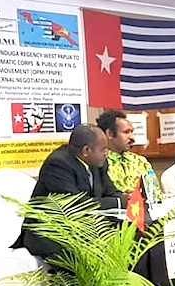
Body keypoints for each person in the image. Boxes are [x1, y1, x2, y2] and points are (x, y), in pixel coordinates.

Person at [14, 124, 127, 257]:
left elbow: (110, 190)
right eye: (103, 149)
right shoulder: (58, 164)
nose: (106, 153)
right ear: (86, 150)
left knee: (127, 239)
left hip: (82, 228)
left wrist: (125, 197)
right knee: (91, 253)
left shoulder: (98, 163)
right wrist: (118, 202)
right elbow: (74, 204)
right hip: (48, 232)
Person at [96, 109, 154, 193]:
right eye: (126, 132)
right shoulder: (98, 162)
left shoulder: (140, 161)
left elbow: (155, 194)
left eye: (132, 132)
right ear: (110, 134)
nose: (132, 137)